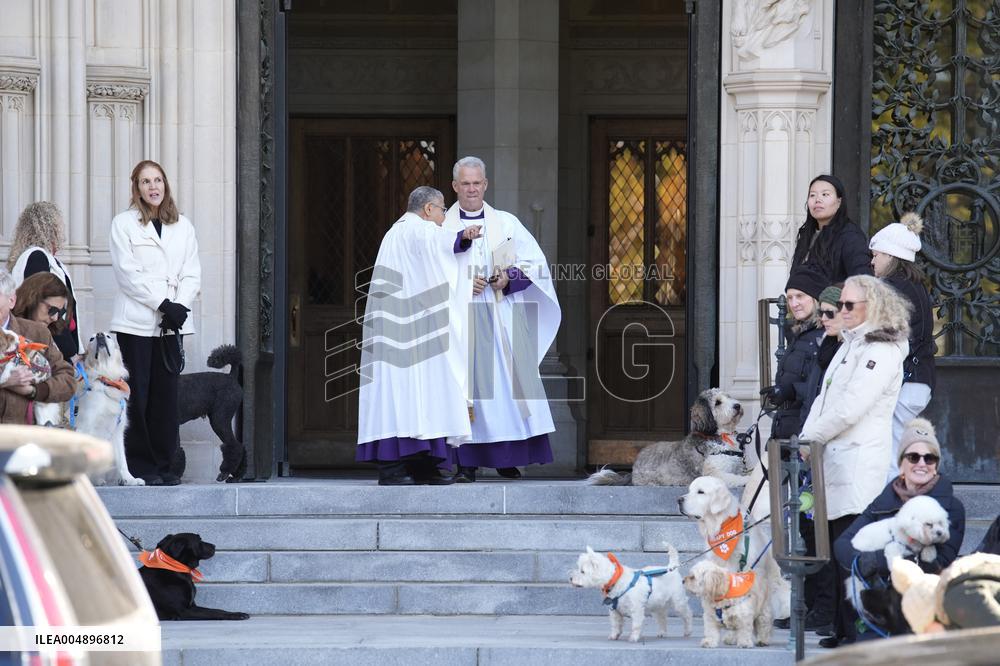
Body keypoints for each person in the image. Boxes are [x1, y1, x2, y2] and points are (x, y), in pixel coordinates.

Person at [799, 274, 911, 648]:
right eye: (840, 305)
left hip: (857, 462)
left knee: (853, 553)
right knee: (834, 550)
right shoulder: (851, 343)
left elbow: (851, 408)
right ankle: (843, 629)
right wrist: (808, 435)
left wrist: (813, 436)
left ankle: (860, 632)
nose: (841, 311)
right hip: (832, 461)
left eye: (849, 305)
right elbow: (824, 398)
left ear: (872, 306)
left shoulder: (881, 349)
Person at [443, 157, 561, 482]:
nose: (471, 189)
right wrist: (464, 283)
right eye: (464, 183)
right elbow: (430, 270)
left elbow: (534, 264)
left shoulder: (506, 223)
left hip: (502, 317)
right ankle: (465, 462)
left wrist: (506, 279)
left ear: (485, 184)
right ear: (455, 186)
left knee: (506, 392)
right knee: (467, 389)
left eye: (476, 182)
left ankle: (505, 458)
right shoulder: (442, 227)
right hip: (461, 320)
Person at [356, 186, 482, 485]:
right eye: (441, 211)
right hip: (401, 333)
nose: (442, 218)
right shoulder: (411, 230)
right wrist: (463, 236)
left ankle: (423, 466)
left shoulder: (401, 234)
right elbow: (437, 241)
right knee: (401, 398)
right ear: (428, 209)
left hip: (415, 329)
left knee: (425, 397)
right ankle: (393, 469)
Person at [109, 160, 201, 486]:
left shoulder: (183, 226)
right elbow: (127, 274)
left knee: (166, 396)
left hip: (171, 324)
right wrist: (161, 304)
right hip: (135, 323)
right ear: (137, 188)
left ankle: (165, 465)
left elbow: (192, 272)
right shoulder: (123, 224)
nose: (153, 187)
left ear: (166, 184)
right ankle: (139, 467)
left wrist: (179, 307)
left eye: (158, 180)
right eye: (146, 181)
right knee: (138, 396)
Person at [835, 418, 966, 640]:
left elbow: (937, 563)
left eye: (930, 458)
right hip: (874, 606)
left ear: (936, 465)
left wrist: (881, 562)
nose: (922, 463)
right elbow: (842, 545)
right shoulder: (883, 501)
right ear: (901, 464)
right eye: (913, 457)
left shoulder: (951, 509)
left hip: (920, 609)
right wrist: (866, 560)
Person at [869, 212, 936, 479]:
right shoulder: (911, 286)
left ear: (890, 256)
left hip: (908, 380)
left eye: (876, 254)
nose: (872, 260)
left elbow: (892, 337)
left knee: (894, 451)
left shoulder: (895, 289)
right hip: (916, 379)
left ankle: (897, 506)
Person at [7, 201, 84, 362]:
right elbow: (43, 307)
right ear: (50, 227)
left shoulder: (46, 258)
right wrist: (69, 351)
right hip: (45, 347)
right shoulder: (37, 256)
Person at [0, 268, 75, 424]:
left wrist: (34, 391)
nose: (54, 318)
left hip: (23, 436)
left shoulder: (37, 332)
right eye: (51, 309)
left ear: (11, 300)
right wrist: (5, 380)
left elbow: (67, 379)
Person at [762, 265, 827, 439]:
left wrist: (790, 390)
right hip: (787, 426)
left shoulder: (824, 337)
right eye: (790, 297)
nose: (793, 303)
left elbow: (823, 388)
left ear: (815, 298)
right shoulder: (800, 333)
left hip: (803, 432)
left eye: (800, 296)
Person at [792, 175, 873, 283]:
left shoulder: (850, 236)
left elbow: (862, 280)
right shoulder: (806, 235)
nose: (818, 200)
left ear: (839, 202)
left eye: (825, 194)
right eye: (812, 195)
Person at [13, 273, 70, 342]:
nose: (55, 318)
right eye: (52, 309)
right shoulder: (6, 326)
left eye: (60, 312)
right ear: (32, 300)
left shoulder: (56, 329)